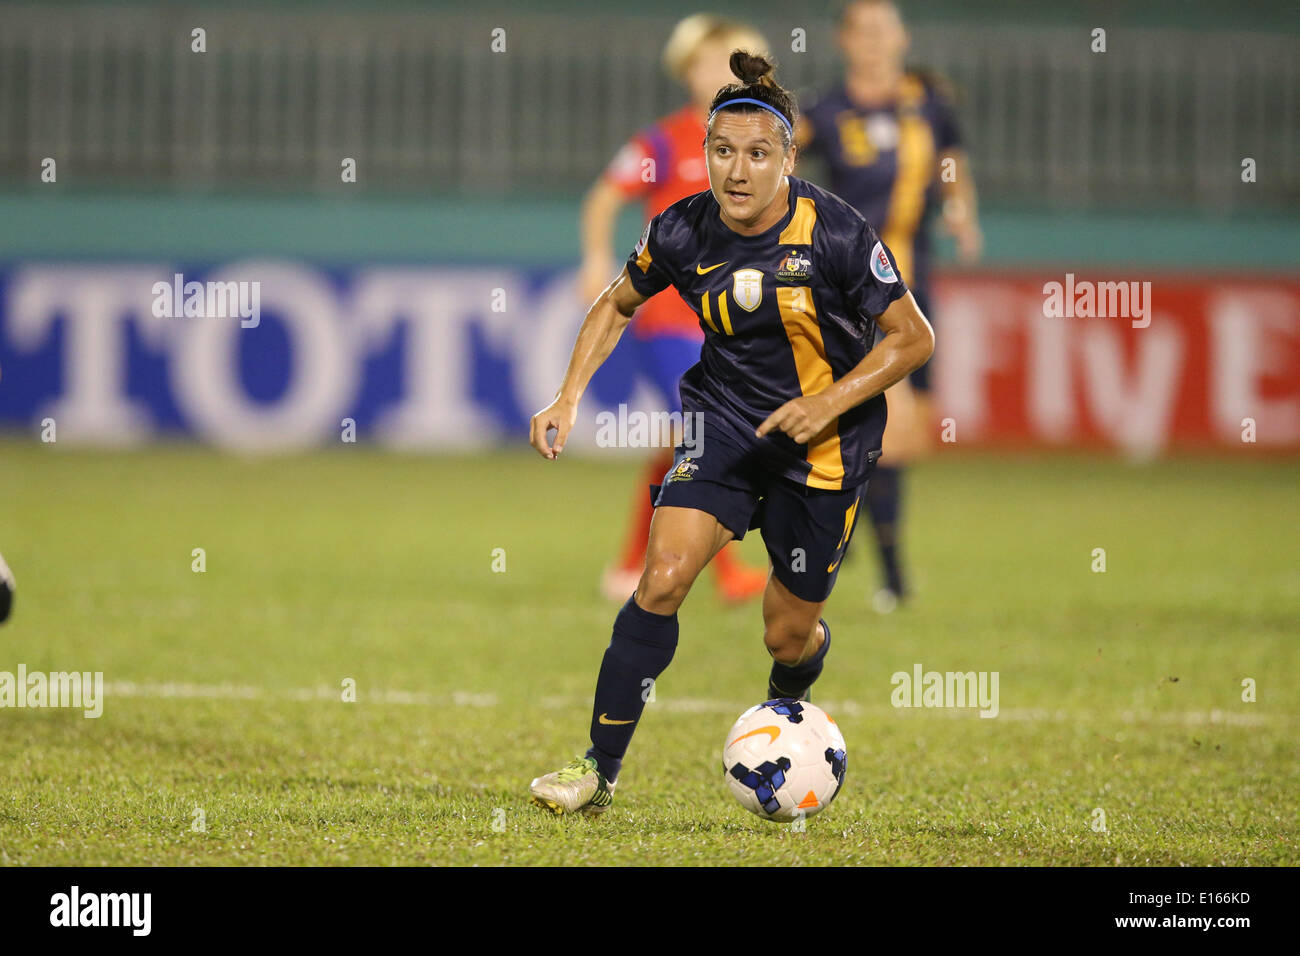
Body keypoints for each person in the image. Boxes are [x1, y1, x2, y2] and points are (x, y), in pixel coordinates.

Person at [527, 52, 934, 815]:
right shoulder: (681, 230)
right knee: (664, 577)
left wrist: (828, 404)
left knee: (787, 635)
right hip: (722, 426)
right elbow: (618, 303)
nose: (737, 171)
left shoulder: (836, 232)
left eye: (756, 154)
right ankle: (597, 771)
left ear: (786, 158)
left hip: (824, 447)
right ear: (707, 154)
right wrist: (567, 395)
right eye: (722, 152)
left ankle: (788, 705)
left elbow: (913, 339)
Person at [580, 14, 771, 605]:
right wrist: (595, 263)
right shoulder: (661, 142)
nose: (714, 75)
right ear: (685, 71)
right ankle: (725, 569)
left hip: (730, 321)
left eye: (726, 63)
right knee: (706, 433)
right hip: (668, 317)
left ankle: (631, 560)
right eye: (703, 63)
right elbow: (604, 196)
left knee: (681, 439)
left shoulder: (758, 144)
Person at [798, 0, 982, 612]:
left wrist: (960, 210)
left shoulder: (928, 103)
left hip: (915, 282)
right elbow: (782, 152)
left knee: (902, 434)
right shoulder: (827, 111)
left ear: (901, 37)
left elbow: (951, 160)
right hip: (854, 287)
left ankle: (842, 548)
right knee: (890, 428)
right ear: (845, 40)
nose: (877, 40)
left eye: (885, 28)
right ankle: (890, 577)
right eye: (865, 30)